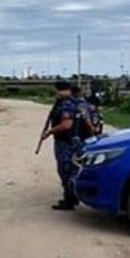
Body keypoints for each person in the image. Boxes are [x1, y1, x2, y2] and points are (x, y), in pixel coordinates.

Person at [41, 80, 85, 210]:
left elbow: (67, 124)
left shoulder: (67, 104)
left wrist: (49, 132)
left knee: (65, 171)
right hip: (75, 141)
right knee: (72, 170)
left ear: (61, 90)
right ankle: (73, 197)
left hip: (66, 143)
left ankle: (70, 200)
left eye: (56, 91)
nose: (55, 94)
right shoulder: (76, 101)